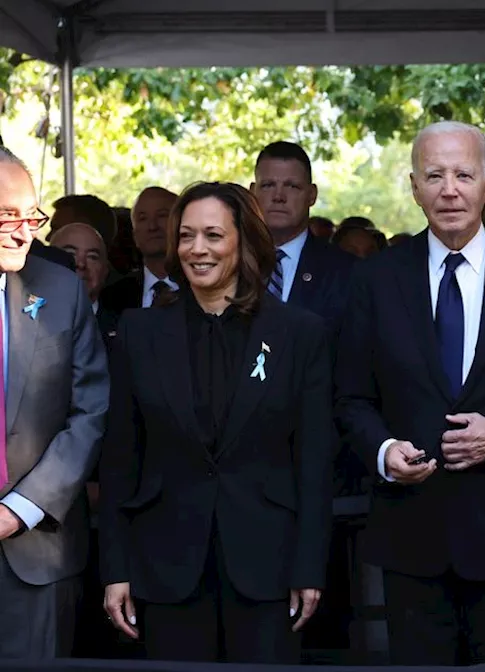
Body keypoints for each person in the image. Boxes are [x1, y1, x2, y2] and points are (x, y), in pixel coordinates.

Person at [334, 121, 485, 666]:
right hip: (410, 540)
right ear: (414, 186)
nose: (450, 189)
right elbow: (350, 397)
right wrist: (382, 451)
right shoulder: (375, 281)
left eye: (464, 175)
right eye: (435, 175)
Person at [98, 182, 334, 663]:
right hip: (165, 566)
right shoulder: (139, 333)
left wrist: (309, 567)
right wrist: (115, 568)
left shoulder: (299, 333)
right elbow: (121, 459)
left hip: (269, 566)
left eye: (212, 235)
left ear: (244, 241)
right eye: (186, 236)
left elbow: (314, 460)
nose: (196, 249)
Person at [0, 146, 109, 658]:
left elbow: (89, 410)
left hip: (36, 553)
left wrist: (20, 507)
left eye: (32, 215)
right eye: (7, 216)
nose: (25, 231)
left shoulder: (61, 291)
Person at [250, 141, 355, 332]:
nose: (279, 196)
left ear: (312, 195)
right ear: (252, 192)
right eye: (268, 185)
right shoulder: (229, 262)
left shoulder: (347, 273)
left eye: (292, 186)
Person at [99, 187, 179, 313]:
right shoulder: (111, 296)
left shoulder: (205, 287)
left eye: (162, 215)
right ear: (134, 234)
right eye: (142, 218)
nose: (152, 226)